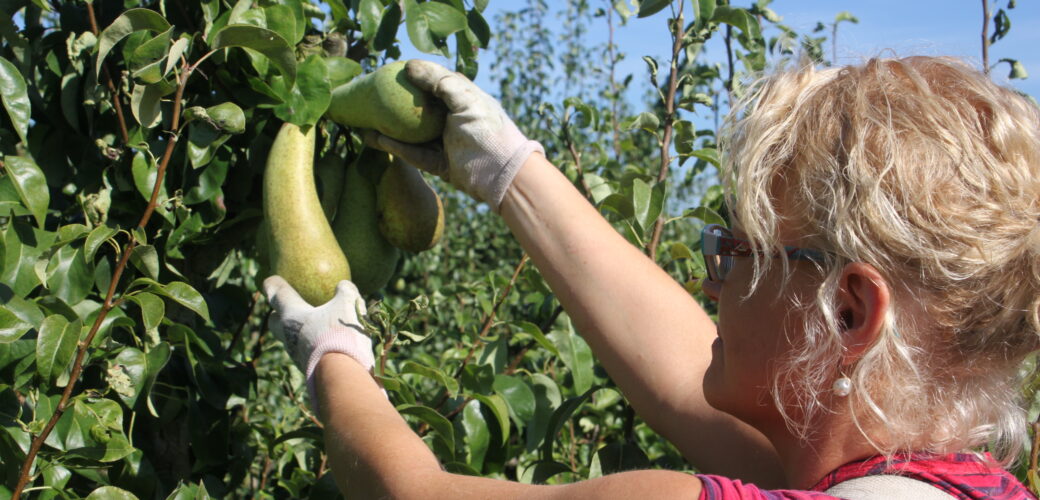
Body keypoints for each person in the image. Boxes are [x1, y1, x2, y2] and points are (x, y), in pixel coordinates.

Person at [262, 55, 1040, 498]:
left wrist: (332, 351)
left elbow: (416, 496)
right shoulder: (958, 483)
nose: (712, 283)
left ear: (847, 310)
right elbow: (678, 376)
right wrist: (507, 170)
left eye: (739, 251)